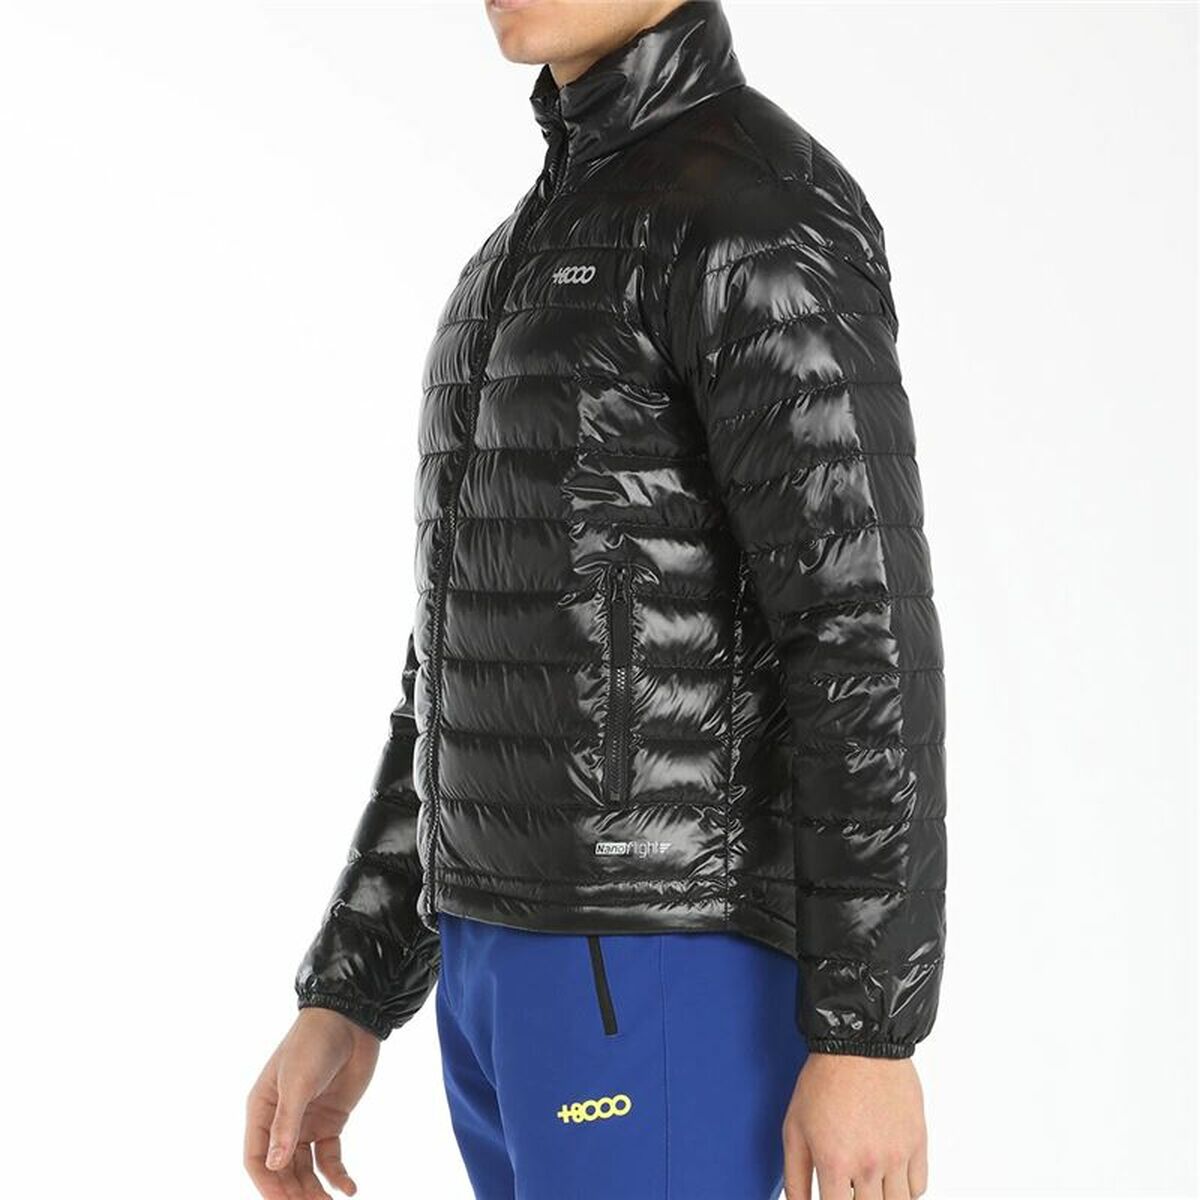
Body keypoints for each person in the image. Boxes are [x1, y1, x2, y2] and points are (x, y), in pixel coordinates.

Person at [244, 2, 946, 1197]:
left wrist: (868, 1032)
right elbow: (463, 665)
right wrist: (353, 988)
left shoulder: (756, 212)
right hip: (497, 962)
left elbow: (860, 635)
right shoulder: (521, 251)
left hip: (660, 959)